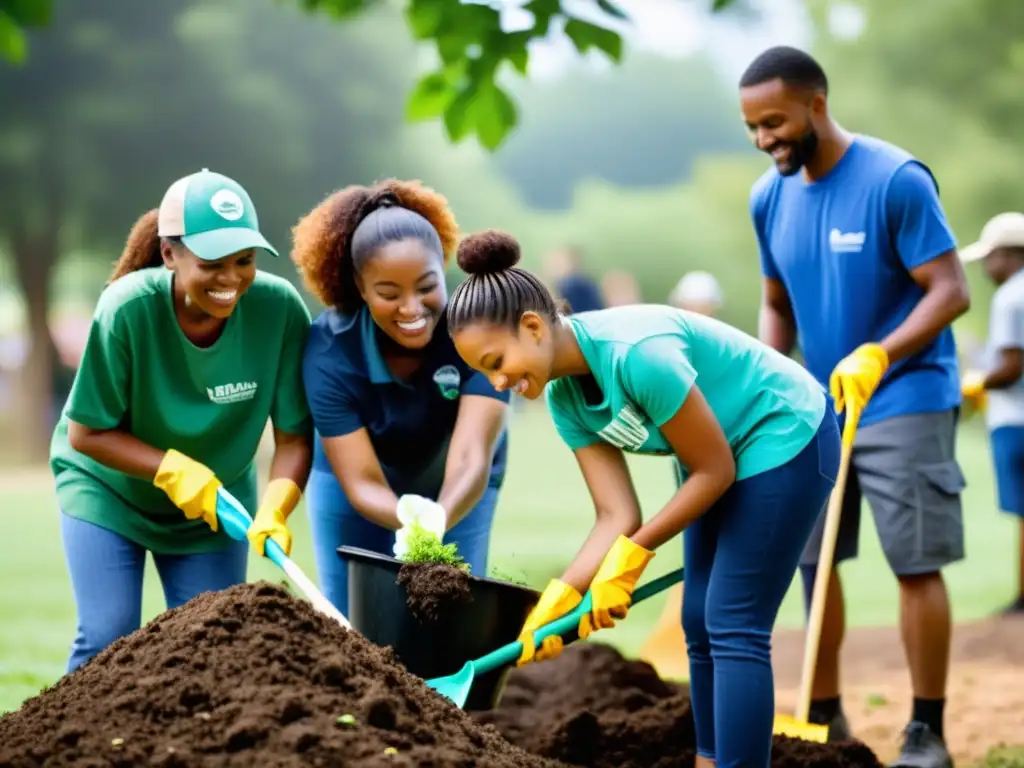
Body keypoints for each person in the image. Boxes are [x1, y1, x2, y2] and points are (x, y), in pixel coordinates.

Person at [446, 228, 840, 768]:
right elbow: (616, 514)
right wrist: (561, 596)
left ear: (532, 326)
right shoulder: (564, 397)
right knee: (699, 619)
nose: (495, 382)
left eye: (495, 362)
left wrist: (631, 560)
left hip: (783, 432)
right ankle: (710, 760)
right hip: (715, 454)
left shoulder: (636, 355)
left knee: (733, 622)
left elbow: (713, 469)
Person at [740, 45, 971, 766]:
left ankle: (925, 729)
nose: (764, 139)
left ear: (816, 103)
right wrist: (771, 380)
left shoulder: (893, 180)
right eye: (751, 127)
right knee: (812, 562)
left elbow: (950, 289)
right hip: (818, 406)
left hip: (906, 394)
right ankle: (825, 715)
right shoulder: (768, 198)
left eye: (774, 121)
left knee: (915, 564)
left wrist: (881, 353)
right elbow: (775, 304)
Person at [50, 168, 314, 673]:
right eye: (213, 262)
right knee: (108, 636)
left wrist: (278, 505)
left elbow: (295, 437)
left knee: (214, 649)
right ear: (170, 254)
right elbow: (87, 433)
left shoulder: (278, 309)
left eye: (245, 261)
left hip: (213, 504)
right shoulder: (127, 309)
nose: (231, 278)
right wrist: (175, 471)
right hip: (110, 492)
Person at [290, 179, 511, 615]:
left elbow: (470, 460)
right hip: (357, 484)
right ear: (360, 288)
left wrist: (437, 521)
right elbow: (361, 482)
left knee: (451, 618)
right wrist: (411, 520)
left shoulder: (479, 326)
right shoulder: (330, 350)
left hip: (462, 480)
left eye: (427, 286)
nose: (412, 308)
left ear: (443, 267)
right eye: (389, 294)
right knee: (352, 623)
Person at [640, 269, 727, 680]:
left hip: (730, 463)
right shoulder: (668, 350)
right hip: (693, 465)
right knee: (700, 548)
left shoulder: (719, 347)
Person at [958, 212, 1024, 616]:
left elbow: (1012, 365)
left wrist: (974, 382)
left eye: (989, 257)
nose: (985, 267)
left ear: (1007, 254)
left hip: (1016, 420)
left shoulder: (1010, 297)